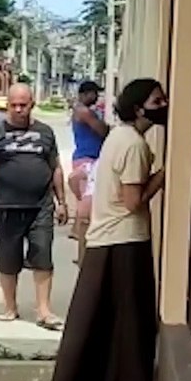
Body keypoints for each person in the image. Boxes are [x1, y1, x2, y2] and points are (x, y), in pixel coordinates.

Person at [47, 78, 168, 381]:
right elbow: (132, 202)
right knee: (130, 325)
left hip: (107, 239)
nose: (164, 105)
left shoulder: (118, 136)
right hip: (124, 241)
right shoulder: (133, 145)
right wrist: (162, 176)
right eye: (157, 100)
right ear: (138, 107)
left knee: (102, 323)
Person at [0, 83, 69, 327]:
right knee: (7, 260)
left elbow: (55, 168)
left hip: (41, 207)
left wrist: (62, 202)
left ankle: (44, 311)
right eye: (14, 105)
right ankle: (10, 307)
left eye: (23, 105)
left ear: (32, 104)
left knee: (43, 256)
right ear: (7, 105)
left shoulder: (46, 132)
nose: (18, 110)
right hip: (7, 207)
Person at [68, 81, 110, 265]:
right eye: (94, 94)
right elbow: (102, 130)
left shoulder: (82, 111)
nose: (97, 97)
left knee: (86, 207)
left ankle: (80, 244)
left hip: (87, 159)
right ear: (85, 94)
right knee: (86, 209)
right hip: (87, 161)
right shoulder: (84, 112)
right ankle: (82, 253)